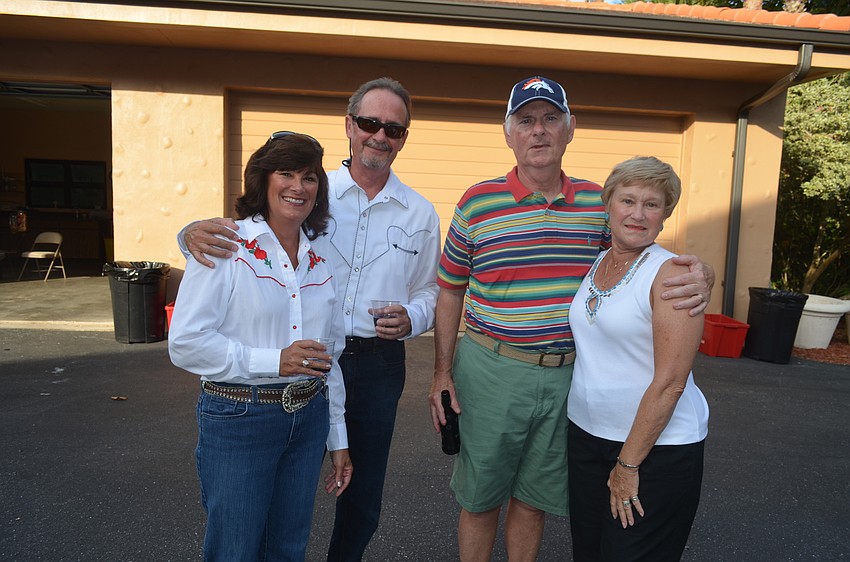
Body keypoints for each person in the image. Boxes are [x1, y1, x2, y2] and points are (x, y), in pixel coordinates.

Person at [428, 76, 713, 562]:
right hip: (492, 369)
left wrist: (702, 273)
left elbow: (640, 256)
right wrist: (441, 372)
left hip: (566, 377)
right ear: (509, 132)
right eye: (526, 120)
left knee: (533, 499)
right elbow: (450, 288)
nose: (538, 130)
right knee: (480, 498)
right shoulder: (477, 202)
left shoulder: (598, 205)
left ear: (570, 128)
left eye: (550, 119)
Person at [176, 78, 441, 561]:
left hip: (369, 364)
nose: (380, 135)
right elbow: (241, 239)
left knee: (355, 496)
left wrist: (414, 316)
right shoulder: (314, 194)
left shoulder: (420, 213)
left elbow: (429, 290)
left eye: (394, 128)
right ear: (350, 125)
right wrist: (187, 233)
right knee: (246, 523)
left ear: (404, 136)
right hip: (283, 374)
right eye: (370, 122)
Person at [168, 132, 353, 561]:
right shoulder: (224, 244)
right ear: (263, 180)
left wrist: (337, 437)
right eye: (285, 173)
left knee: (287, 549)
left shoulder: (322, 257)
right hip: (240, 418)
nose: (298, 186)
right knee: (234, 550)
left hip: (308, 419)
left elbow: (330, 357)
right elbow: (186, 343)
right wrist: (275, 360)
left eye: (309, 177)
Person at [567, 156, 708, 561]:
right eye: (627, 200)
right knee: (589, 552)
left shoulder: (673, 276)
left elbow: (671, 383)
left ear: (666, 214)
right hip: (589, 438)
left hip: (654, 450)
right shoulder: (600, 260)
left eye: (652, 204)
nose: (638, 214)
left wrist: (627, 466)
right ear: (608, 204)